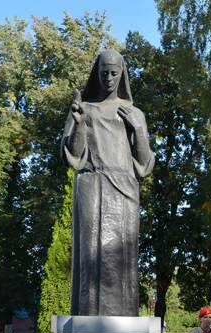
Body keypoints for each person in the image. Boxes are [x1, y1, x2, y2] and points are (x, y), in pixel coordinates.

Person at [61, 49, 155, 316]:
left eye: (115, 73)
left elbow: (145, 165)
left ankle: (124, 316)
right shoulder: (84, 109)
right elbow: (74, 157)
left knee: (123, 254)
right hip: (92, 184)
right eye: (104, 73)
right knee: (92, 254)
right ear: (96, 74)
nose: (109, 78)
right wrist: (78, 124)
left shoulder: (134, 113)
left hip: (125, 187)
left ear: (122, 74)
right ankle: (89, 315)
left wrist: (138, 128)